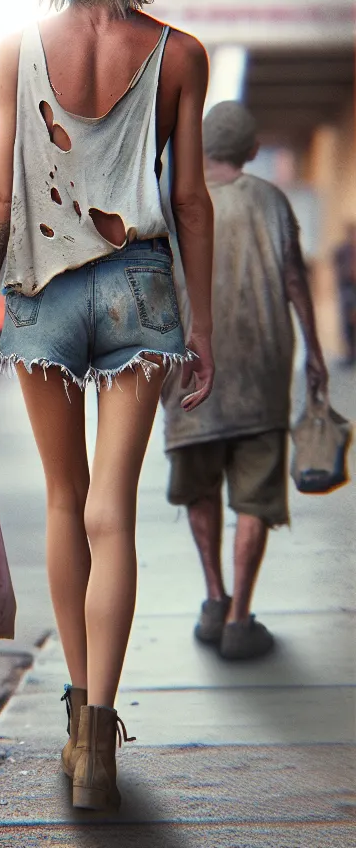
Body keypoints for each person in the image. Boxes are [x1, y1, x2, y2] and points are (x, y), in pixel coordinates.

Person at [0, 0, 214, 812]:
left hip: (39, 292)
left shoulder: (18, 50)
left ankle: (78, 730)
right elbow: (187, 203)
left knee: (68, 504)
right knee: (110, 510)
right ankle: (99, 729)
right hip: (140, 290)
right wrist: (202, 327)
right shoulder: (183, 55)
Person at [162, 101, 328, 661]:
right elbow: (294, 280)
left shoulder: (175, 200)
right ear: (252, 149)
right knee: (254, 499)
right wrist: (316, 354)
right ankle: (238, 619)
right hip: (262, 370)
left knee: (199, 486)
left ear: (202, 148)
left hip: (187, 374)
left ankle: (214, 597)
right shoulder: (270, 200)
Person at [333, 222, 356, 367]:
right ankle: (350, 354)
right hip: (347, 288)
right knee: (348, 322)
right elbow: (338, 267)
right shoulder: (342, 250)